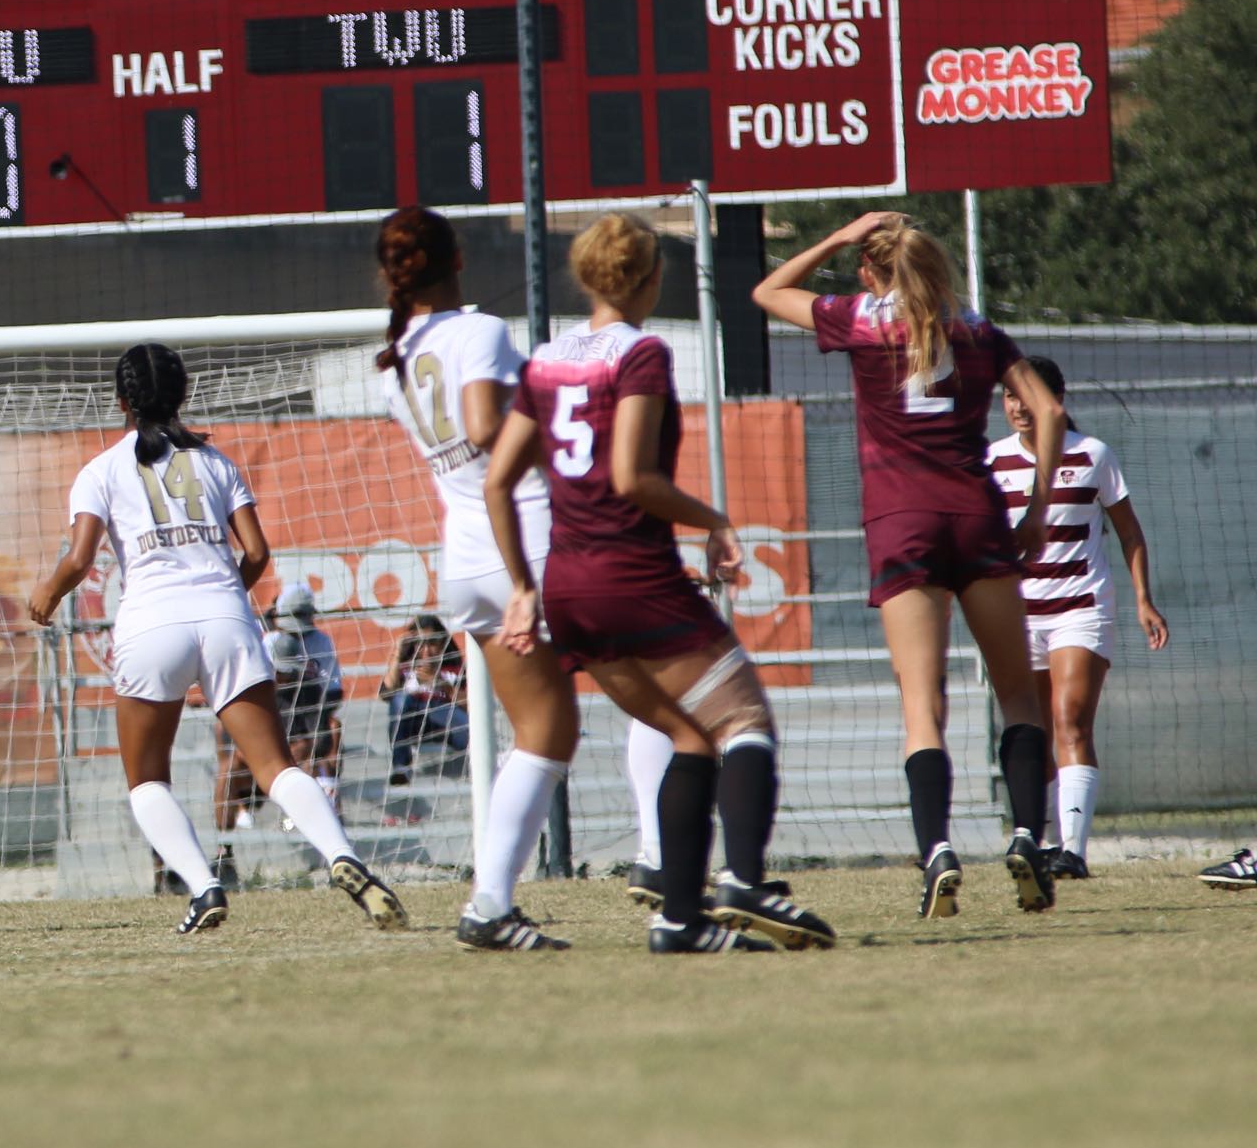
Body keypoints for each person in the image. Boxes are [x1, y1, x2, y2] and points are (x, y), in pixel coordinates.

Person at [487, 214, 835, 954]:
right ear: (652, 277)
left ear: (586, 277)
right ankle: (744, 879)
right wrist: (715, 519)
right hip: (630, 572)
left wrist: (522, 584)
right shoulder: (642, 353)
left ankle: (681, 920)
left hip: (566, 584)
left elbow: (495, 482)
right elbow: (630, 478)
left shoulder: (544, 359)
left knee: (687, 735)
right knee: (744, 724)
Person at [28, 343, 407, 934]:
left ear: (121, 401)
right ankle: (346, 858)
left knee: (147, 780)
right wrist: (228, 595)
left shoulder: (100, 470)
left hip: (152, 625)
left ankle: (204, 889)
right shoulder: (216, 462)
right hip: (228, 618)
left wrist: (47, 595)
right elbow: (257, 553)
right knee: (276, 767)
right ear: (184, 396)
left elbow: (80, 559)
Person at [755, 211, 1068, 917]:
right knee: (1018, 695)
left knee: (921, 707)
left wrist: (835, 239)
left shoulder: (863, 320)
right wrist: (1038, 508)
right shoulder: (979, 329)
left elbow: (767, 292)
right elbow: (1046, 411)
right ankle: (1025, 836)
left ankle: (937, 853)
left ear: (872, 271)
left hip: (901, 522)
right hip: (978, 517)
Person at [376, 205, 579, 951]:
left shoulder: (399, 352)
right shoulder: (479, 331)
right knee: (652, 688)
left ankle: (491, 902)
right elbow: (487, 428)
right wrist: (562, 424)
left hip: (464, 554)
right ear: (455, 255)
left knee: (544, 732)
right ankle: (667, 871)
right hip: (527, 535)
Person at [987, 355, 1169, 879]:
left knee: (1070, 721)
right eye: (1009, 395)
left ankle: (1074, 851)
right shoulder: (993, 460)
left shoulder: (1093, 455)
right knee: (1032, 731)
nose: (1019, 406)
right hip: (1018, 618)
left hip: (1081, 609)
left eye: (1028, 394)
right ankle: (1038, 847)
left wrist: (1142, 600)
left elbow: (1130, 533)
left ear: (1056, 401)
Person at [268, 584, 344, 807]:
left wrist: (312, 722)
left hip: (313, 711)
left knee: (333, 729)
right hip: (277, 715)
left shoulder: (322, 642)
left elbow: (334, 691)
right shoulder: (270, 642)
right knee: (299, 748)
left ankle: (331, 798)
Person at [378, 615, 468, 784]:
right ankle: (401, 767)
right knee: (400, 698)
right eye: (419, 643)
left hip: (446, 724)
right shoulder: (404, 669)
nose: (425, 650)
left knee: (444, 711)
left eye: (432, 643)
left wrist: (440, 683)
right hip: (414, 724)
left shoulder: (456, 669)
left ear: (442, 643)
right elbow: (386, 695)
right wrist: (398, 652)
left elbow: (471, 707)